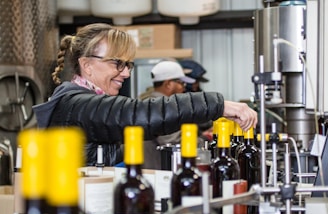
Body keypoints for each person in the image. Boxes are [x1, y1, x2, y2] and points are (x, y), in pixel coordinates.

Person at [33, 23, 257, 167]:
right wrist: (218, 105)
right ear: (87, 65)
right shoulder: (76, 104)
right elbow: (139, 115)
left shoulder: (82, 102)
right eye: (117, 63)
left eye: (128, 64)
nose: (126, 72)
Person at [142, 60, 198, 169]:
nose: (184, 87)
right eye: (181, 83)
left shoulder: (153, 103)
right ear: (168, 84)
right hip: (156, 172)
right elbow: (173, 141)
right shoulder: (158, 107)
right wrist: (205, 141)